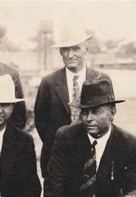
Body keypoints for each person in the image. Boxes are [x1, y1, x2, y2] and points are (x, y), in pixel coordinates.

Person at [34, 29, 111, 177]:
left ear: (86, 49)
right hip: (57, 158)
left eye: (76, 48)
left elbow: (107, 116)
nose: (70, 55)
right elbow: (41, 121)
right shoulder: (49, 82)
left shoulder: (102, 79)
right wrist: (60, 145)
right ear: (60, 52)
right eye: (65, 49)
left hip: (93, 155)